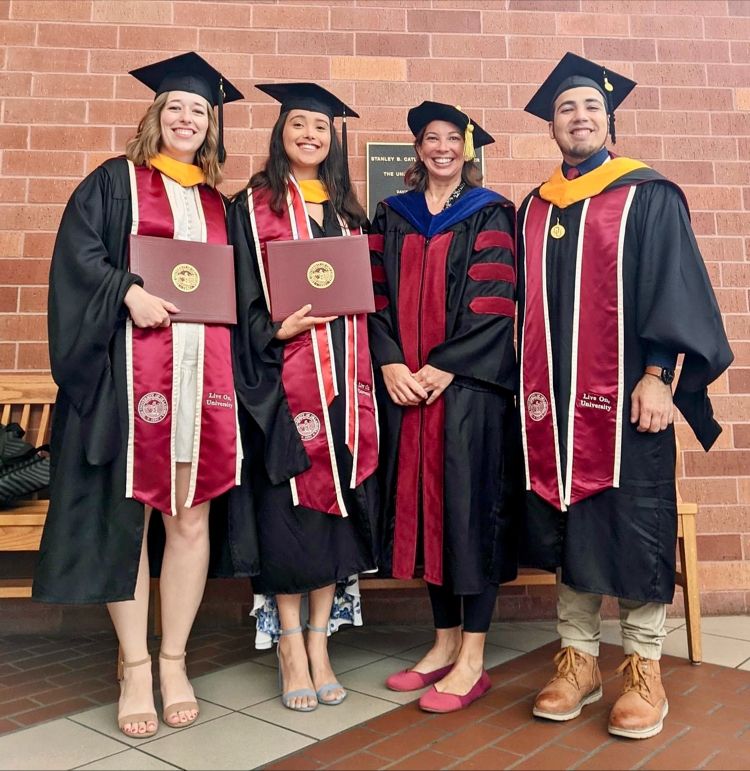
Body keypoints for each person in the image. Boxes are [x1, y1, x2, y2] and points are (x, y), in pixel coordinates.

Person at [517, 53, 733, 739]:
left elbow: (672, 285)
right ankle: (578, 659)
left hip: (630, 402)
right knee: (569, 520)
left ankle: (643, 665)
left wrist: (659, 374)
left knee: (635, 523)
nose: (578, 117)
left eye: (590, 107)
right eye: (566, 108)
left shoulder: (647, 195)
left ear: (608, 119)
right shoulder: (534, 207)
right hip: (552, 408)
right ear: (552, 124)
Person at [33, 52, 248, 738]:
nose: (186, 119)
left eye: (199, 111)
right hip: (132, 380)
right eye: (175, 107)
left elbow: (243, 291)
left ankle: (174, 660)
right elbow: (78, 258)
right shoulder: (114, 181)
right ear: (156, 115)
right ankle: (133, 665)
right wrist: (127, 291)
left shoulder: (221, 205)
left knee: (189, 519)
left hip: (203, 383)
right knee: (130, 519)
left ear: (210, 127)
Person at [227, 83, 379, 712]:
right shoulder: (250, 206)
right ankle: (290, 646)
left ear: (332, 139)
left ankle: (321, 643)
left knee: (334, 518)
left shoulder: (349, 214)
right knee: (287, 516)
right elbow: (236, 295)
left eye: (320, 126)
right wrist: (273, 329)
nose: (310, 134)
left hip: (345, 387)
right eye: (299, 123)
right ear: (281, 132)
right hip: (281, 387)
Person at [368, 102, 520, 713]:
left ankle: (473, 661)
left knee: (469, 513)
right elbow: (373, 295)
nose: (442, 148)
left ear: (467, 149)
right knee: (430, 513)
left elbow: (495, 298)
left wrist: (446, 364)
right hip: (409, 389)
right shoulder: (391, 215)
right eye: (432, 139)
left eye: (453, 139)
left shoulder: (490, 213)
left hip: (468, 392)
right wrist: (390, 362)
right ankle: (443, 644)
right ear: (418, 149)